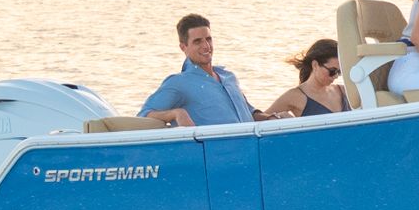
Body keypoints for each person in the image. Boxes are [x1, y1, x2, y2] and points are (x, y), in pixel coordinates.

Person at [140, 13, 280, 126]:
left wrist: (272, 118)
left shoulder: (229, 77)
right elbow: (144, 115)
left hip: (251, 150)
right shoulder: (179, 83)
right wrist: (176, 113)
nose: (206, 46)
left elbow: (248, 113)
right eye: (197, 41)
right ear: (183, 47)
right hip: (217, 156)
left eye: (208, 39)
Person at [260, 38, 351, 118]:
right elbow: (260, 120)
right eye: (332, 71)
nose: (335, 76)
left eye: (339, 72)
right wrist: (278, 118)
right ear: (315, 65)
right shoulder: (295, 96)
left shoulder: (343, 91)